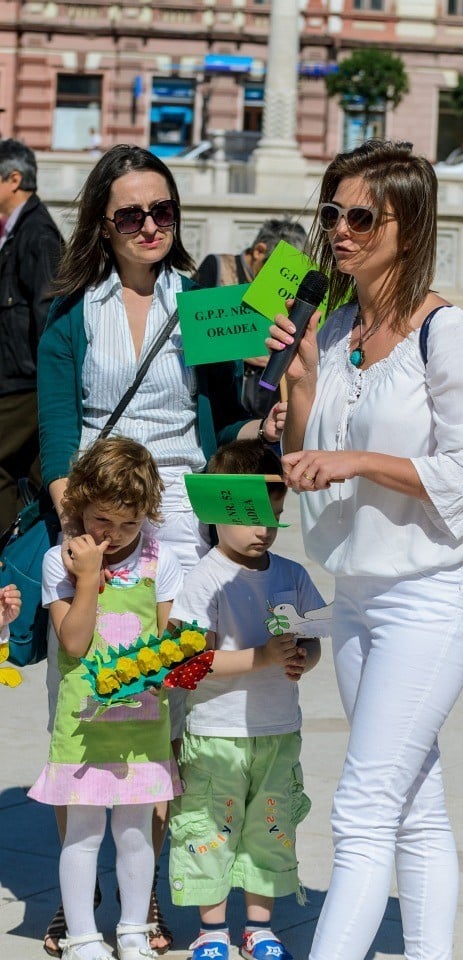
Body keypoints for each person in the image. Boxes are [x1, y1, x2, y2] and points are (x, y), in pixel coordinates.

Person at [36, 143, 284, 956]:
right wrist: (87, 542)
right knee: (83, 689)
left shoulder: (210, 302)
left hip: (179, 508)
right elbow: (58, 435)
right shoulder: (73, 315)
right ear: (102, 227)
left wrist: (268, 369)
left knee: (177, 696)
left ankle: (161, 891)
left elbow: (233, 406)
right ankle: (81, 894)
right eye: (131, 215)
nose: (149, 225)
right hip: (101, 508)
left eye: (162, 210)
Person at [266, 139, 463, 960]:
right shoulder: (336, 331)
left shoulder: (446, 334)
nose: (340, 229)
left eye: (362, 215)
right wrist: (299, 387)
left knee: (363, 807)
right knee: (413, 802)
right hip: (359, 594)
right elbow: (302, 461)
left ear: (409, 225)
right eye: (332, 212)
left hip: (432, 594)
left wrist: (360, 459)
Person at [28, 436, 184, 960]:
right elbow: (73, 640)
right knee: (84, 832)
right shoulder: (60, 562)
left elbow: (168, 641)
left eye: (129, 525)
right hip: (83, 728)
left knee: (138, 830)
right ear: (79, 507)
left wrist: (171, 664)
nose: (114, 536)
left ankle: (134, 930)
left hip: (141, 723)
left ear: (147, 516)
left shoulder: (162, 561)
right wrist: (89, 575)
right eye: (102, 522)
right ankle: (82, 936)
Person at [168, 439, 325, 960]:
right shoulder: (202, 581)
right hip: (216, 732)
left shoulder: (292, 575)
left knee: (270, 827)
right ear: (217, 512)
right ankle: (212, 929)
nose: (265, 529)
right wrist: (259, 657)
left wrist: (304, 655)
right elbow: (187, 666)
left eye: (276, 516)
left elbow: (314, 638)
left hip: (277, 730)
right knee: (209, 829)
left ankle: (259, 925)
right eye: (254, 516)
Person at [0, 138, 64, 532]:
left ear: (14, 180)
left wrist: (52, 383)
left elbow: (48, 312)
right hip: (14, 379)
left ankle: (16, 547)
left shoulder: (38, 234)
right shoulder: (16, 230)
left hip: (27, 383)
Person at [195, 218, 308, 420]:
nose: (279, 280)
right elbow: (193, 334)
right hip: (221, 401)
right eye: (279, 270)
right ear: (259, 251)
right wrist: (246, 351)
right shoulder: (218, 267)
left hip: (267, 405)